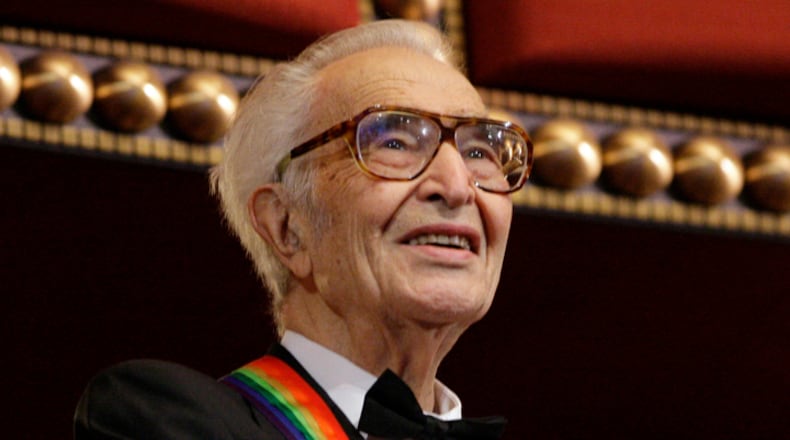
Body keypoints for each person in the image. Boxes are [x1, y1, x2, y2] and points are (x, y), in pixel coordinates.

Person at [74, 18, 533, 439]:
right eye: (395, 142)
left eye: (479, 152)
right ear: (286, 225)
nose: (456, 187)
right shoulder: (167, 418)